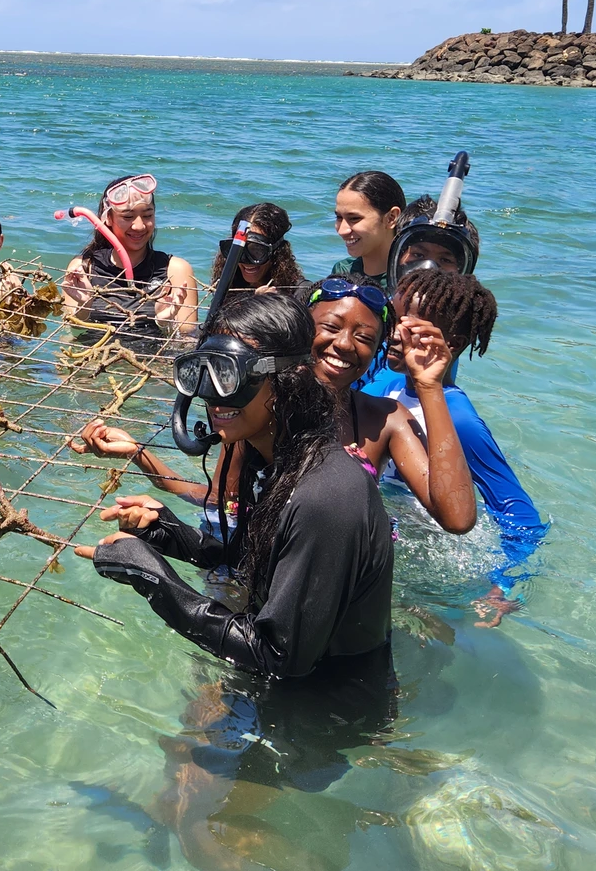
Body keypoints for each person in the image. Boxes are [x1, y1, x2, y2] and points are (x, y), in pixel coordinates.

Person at [76, 295, 393, 676]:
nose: (211, 395)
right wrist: (168, 533)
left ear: (288, 379)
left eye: (228, 374)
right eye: (202, 372)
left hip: (326, 704)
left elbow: (279, 658)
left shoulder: (327, 495)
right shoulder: (277, 461)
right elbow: (261, 558)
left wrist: (153, 578)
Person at [360, 269, 547, 626]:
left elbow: (522, 517)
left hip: (442, 553)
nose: (394, 333)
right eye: (392, 318)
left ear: (453, 343)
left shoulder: (458, 419)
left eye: (411, 327)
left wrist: (502, 585)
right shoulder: (384, 383)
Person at [304, 277, 476, 533]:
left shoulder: (385, 420)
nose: (344, 343)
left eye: (364, 337)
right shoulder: (263, 402)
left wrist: (429, 385)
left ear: (377, 351)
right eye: (330, 326)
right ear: (301, 328)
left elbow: (458, 519)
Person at [62, 174, 198, 340]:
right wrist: (85, 306)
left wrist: (165, 323)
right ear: (108, 218)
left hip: (153, 355)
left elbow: (188, 339)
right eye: (127, 216)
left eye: (147, 215)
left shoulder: (176, 270)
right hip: (94, 353)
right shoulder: (83, 268)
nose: (139, 226)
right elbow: (71, 332)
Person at [208, 202, 305, 299]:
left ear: (277, 252)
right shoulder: (228, 287)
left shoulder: (301, 293)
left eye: (257, 251)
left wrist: (266, 303)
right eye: (239, 251)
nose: (246, 261)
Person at [331, 170, 405, 292]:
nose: (342, 231)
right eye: (339, 217)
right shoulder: (343, 272)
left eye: (354, 218)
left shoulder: (411, 280)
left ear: (391, 218)